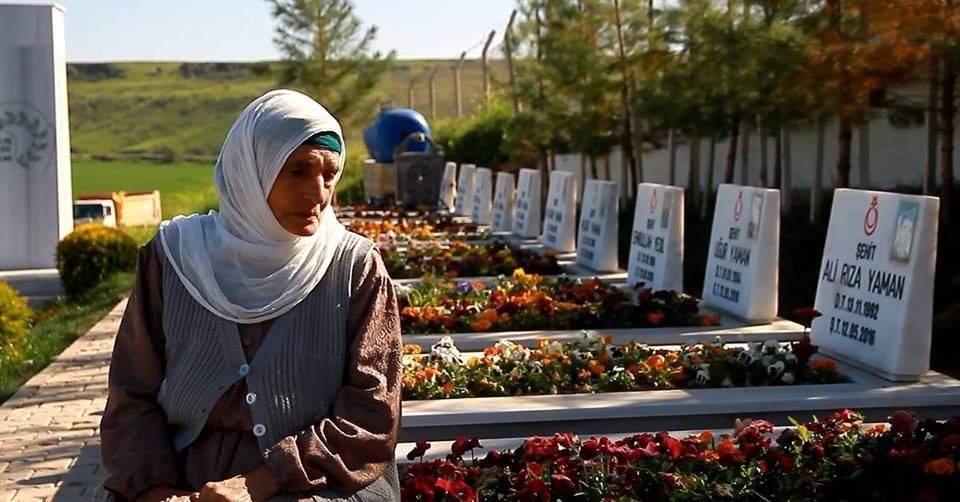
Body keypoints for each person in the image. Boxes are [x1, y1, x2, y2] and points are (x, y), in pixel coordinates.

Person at [99, 89, 403, 501]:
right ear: (251, 170)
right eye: (297, 171)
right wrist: (156, 491)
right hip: (182, 478)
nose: (318, 193)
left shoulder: (354, 267)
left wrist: (258, 483)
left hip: (318, 481)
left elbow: (372, 412)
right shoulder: (173, 258)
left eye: (329, 174)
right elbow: (132, 393)